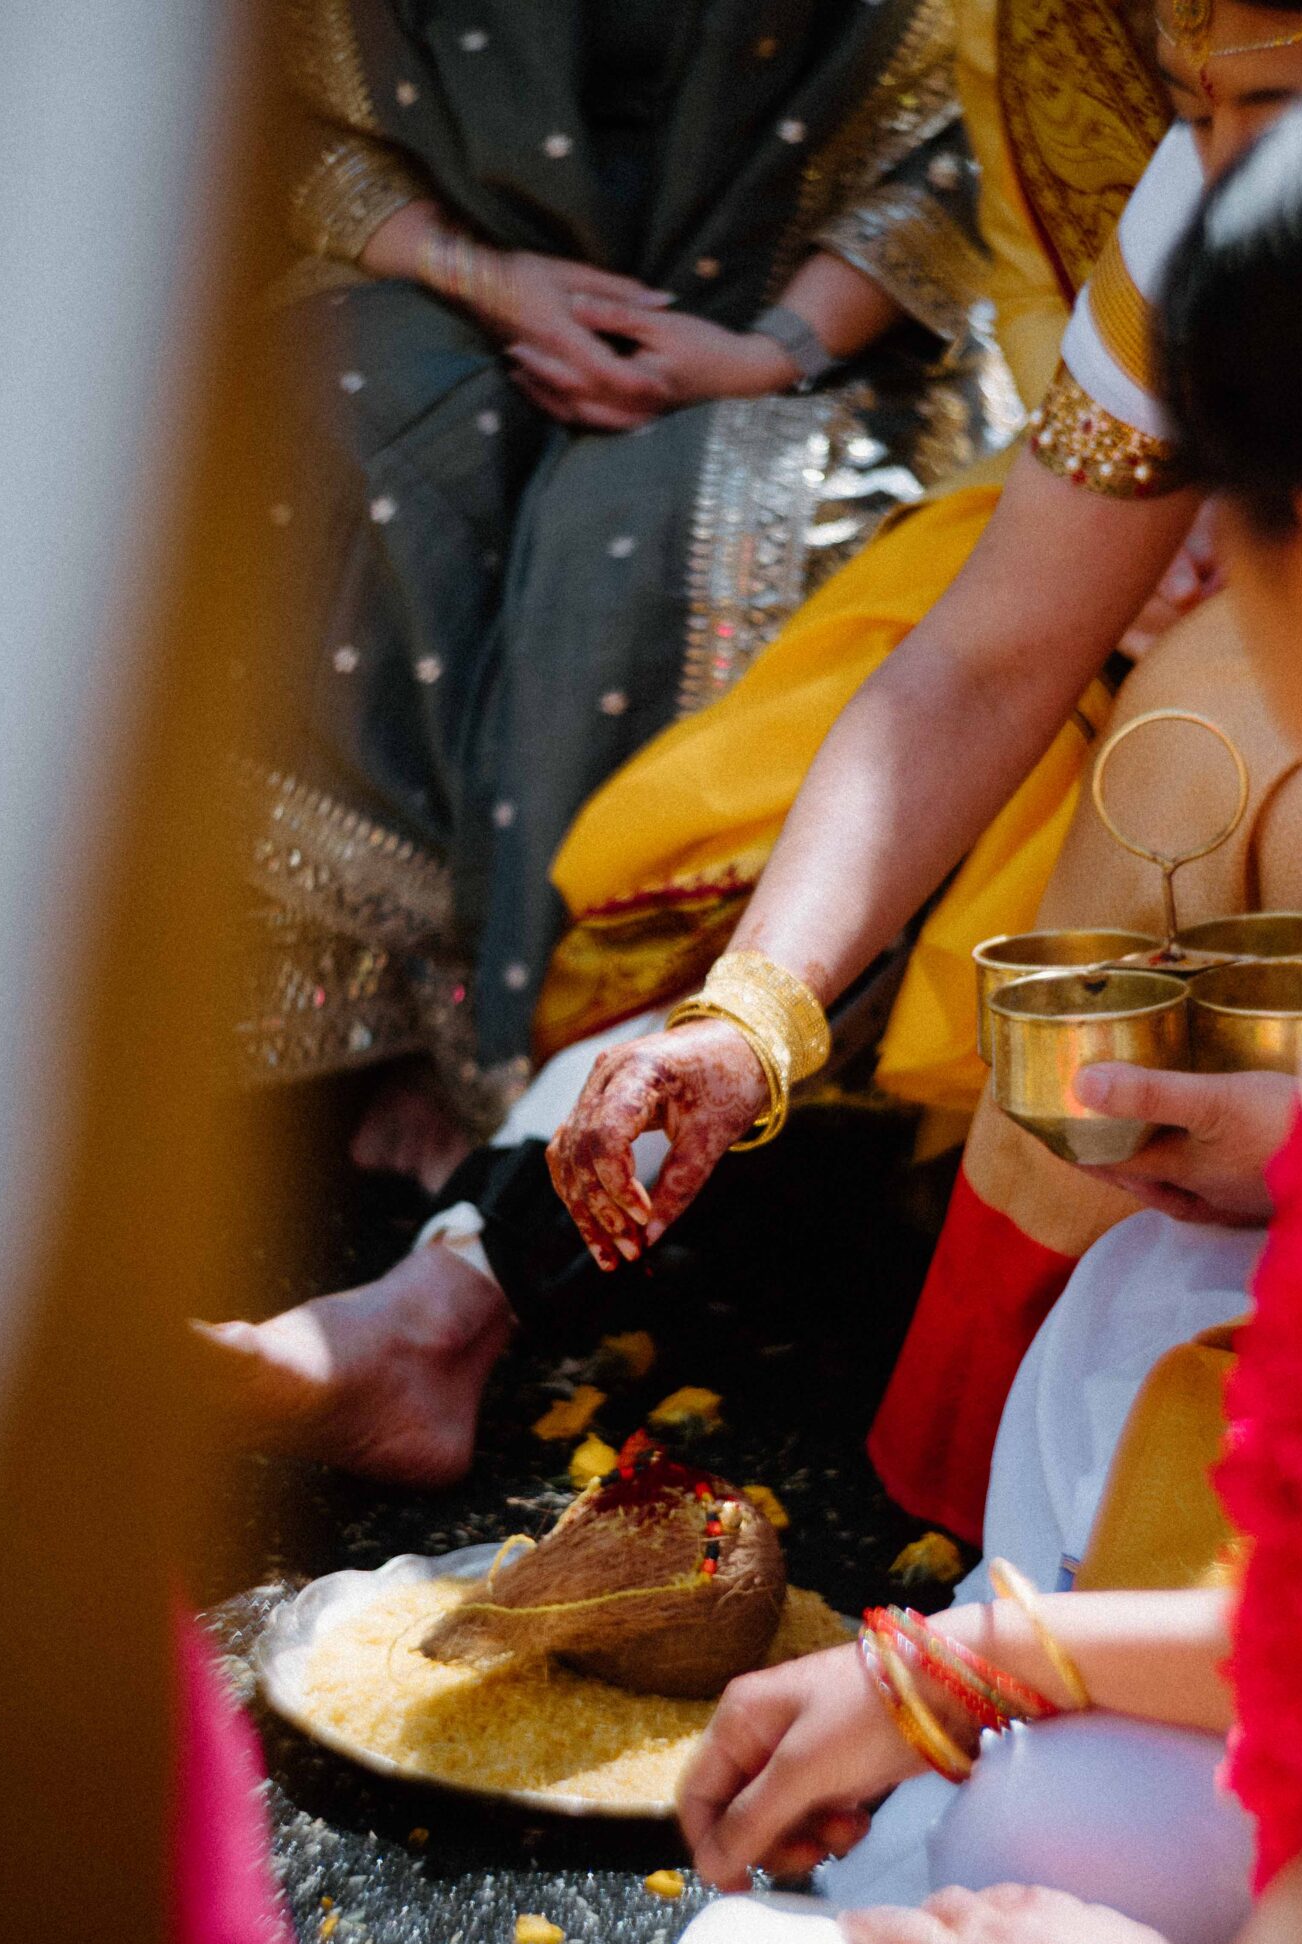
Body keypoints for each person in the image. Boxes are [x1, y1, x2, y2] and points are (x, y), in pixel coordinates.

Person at [611, 55, 1302, 1944]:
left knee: (995, 1859)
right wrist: (752, 1009)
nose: (1216, 99)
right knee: (1119, 1321)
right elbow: (989, 644)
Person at [549, 0, 1302, 1542]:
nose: (1204, 176)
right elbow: (989, 654)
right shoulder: (1218, 198)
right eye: (1191, 109)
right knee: (1195, 726)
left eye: (1264, 112)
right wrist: (750, 1019)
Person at [237, 0, 999, 1144]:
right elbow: (261, 110)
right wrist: (480, 273)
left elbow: (973, 134)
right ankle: (420, 1035)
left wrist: (770, 350)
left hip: (803, 330)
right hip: (445, 272)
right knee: (340, 418)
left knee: (648, 543)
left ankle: (580, 1083)